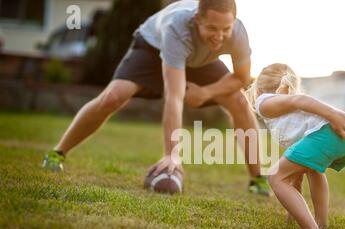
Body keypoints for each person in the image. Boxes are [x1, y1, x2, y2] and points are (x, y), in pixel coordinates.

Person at [42, 0, 271, 196]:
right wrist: (172, 155)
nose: (219, 36)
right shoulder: (177, 28)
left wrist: (206, 93)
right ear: (197, 19)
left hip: (201, 60)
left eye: (225, 29)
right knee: (113, 96)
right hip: (152, 47)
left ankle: (257, 179)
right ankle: (57, 153)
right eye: (212, 28)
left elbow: (241, 77)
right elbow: (174, 96)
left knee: (239, 102)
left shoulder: (237, 32)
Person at [245, 63, 345, 229]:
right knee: (312, 169)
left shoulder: (264, 101)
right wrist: (292, 210)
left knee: (275, 177)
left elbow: (301, 100)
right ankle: (321, 221)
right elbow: (296, 175)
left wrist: (333, 115)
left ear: (260, 88)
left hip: (335, 127)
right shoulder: (292, 117)